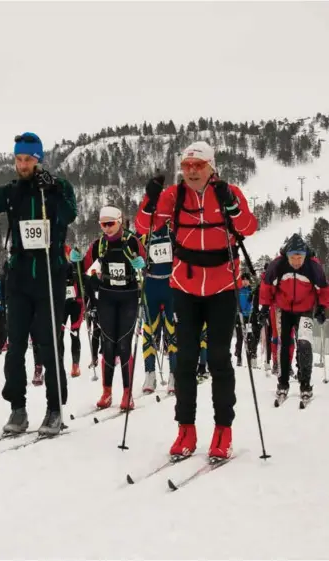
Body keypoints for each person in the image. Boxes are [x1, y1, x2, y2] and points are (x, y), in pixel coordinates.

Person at [136, 140, 257, 460]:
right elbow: (143, 226)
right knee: (186, 359)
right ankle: (185, 429)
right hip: (184, 287)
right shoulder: (173, 196)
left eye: (198, 166)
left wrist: (233, 205)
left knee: (218, 358)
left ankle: (223, 429)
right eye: (186, 167)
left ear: (210, 167)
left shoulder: (226, 192)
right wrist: (149, 200)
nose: (191, 172)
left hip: (222, 287)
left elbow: (249, 227)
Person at [0, 132, 77, 435]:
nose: (22, 164)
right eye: (18, 159)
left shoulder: (59, 186)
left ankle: (55, 409)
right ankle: (18, 408)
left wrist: (53, 191)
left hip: (48, 274)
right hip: (18, 275)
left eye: (28, 159)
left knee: (48, 344)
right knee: (14, 346)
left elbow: (70, 214)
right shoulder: (14, 189)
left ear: (39, 160)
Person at [83, 206, 146, 410]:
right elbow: (86, 269)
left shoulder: (132, 241)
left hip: (128, 296)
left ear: (120, 221)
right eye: (103, 224)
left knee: (124, 344)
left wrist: (142, 264)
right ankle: (107, 391)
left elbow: (148, 264)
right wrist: (79, 266)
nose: (107, 229)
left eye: (111, 224)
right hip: (107, 296)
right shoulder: (98, 245)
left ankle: (127, 393)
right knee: (108, 343)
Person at [259, 234, 329, 402]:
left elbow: (324, 289)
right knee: (284, 345)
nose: (297, 261)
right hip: (284, 309)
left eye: (300, 257)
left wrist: (322, 308)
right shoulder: (278, 265)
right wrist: (265, 307)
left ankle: (305, 384)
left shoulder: (313, 267)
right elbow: (267, 286)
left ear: (305, 255)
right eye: (293, 257)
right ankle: (283, 383)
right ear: (287, 256)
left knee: (304, 345)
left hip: (305, 310)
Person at [136, 220, 177, 394]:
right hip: (151, 285)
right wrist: (136, 261)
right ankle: (150, 373)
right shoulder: (143, 233)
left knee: (173, 330)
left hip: (170, 285)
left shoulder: (173, 231)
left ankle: (174, 375)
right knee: (149, 330)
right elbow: (131, 250)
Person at [64, 246, 88, 377]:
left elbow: (85, 280)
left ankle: (75, 365)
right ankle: (59, 363)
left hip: (76, 304)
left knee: (75, 334)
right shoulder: (58, 267)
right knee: (59, 335)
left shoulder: (77, 266)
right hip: (62, 304)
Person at [234, 272, 254, 367]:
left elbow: (252, 304)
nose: (245, 282)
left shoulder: (250, 290)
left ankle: (249, 356)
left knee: (249, 337)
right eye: (243, 280)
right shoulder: (238, 290)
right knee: (240, 337)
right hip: (239, 316)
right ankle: (239, 357)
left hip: (248, 317)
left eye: (247, 280)